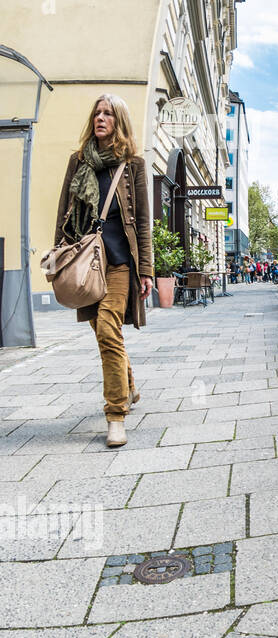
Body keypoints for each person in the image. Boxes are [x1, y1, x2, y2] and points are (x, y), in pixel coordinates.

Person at [54, 94, 154, 448]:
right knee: (103, 332)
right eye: (97, 112)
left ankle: (115, 415)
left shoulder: (133, 165)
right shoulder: (78, 161)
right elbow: (64, 212)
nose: (100, 118)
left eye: (108, 113)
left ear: (119, 121)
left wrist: (146, 271)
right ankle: (128, 384)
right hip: (85, 264)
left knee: (109, 327)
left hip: (119, 264)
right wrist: (57, 257)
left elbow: (142, 222)